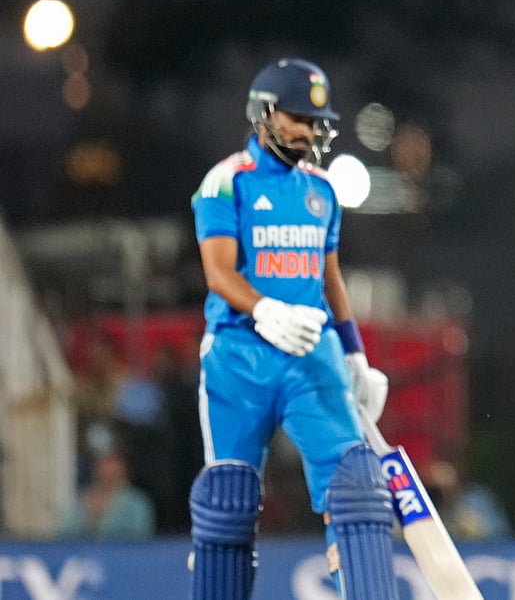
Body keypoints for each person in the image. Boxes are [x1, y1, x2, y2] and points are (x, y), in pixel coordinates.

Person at [188, 57, 396, 600]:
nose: (310, 131)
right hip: (239, 353)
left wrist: (354, 354)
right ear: (266, 113)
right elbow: (218, 271)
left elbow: (331, 280)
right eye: (299, 118)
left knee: (358, 485)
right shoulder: (225, 181)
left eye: (315, 120)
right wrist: (265, 311)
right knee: (228, 501)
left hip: (311, 353)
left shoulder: (322, 190)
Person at [59, 451, 155, 541]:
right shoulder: (80, 500)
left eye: (113, 475)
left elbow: (140, 537)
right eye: (103, 474)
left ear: (124, 474)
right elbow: (66, 533)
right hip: (83, 555)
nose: (107, 480)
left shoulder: (137, 503)